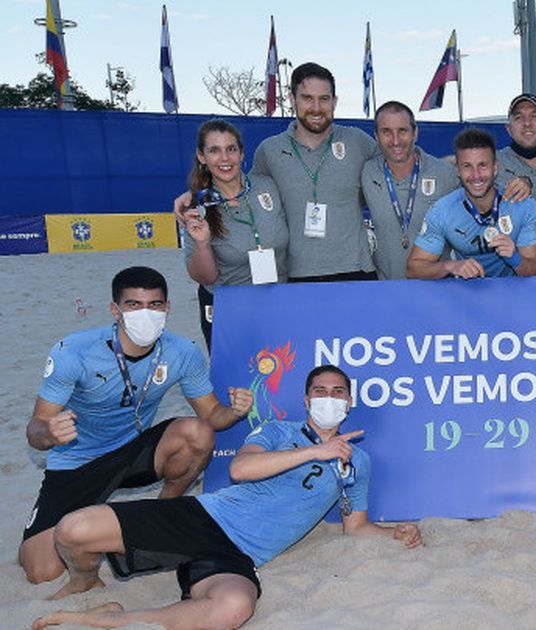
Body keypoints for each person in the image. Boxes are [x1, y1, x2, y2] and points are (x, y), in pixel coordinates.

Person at [33, 365, 423, 629]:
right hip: (201, 517)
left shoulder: (359, 460)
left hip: (238, 554)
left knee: (235, 608)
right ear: (306, 401)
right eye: (320, 391)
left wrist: (394, 534)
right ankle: (86, 582)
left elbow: (355, 526)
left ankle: (115, 619)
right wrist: (313, 451)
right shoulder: (276, 431)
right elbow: (240, 470)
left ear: (349, 403)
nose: (329, 397)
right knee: (72, 528)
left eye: (338, 392)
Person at [20, 267, 253, 585]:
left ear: (167, 307)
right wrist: (49, 433)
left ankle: (161, 514)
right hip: (78, 460)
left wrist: (234, 412)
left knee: (197, 432)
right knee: (41, 571)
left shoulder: (183, 351)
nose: (146, 313)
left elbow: (211, 414)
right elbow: (35, 430)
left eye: (155, 305)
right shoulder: (73, 352)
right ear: (115, 310)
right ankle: (95, 521)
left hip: (132, 452)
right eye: (134, 304)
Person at [250, 62, 379, 282]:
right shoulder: (269, 151)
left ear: (334, 101)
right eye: (308, 98)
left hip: (356, 271)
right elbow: (240, 191)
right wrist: (195, 194)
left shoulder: (358, 142)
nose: (316, 107)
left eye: (324, 99)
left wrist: (452, 164)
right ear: (292, 100)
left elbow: (399, 168)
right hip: (296, 274)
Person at [177, 119, 288, 349]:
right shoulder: (196, 208)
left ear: (241, 153)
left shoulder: (267, 186)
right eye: (214, 151)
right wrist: (203, 244)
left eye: (231, 149)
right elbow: (205, 277)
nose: (225, 158)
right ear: (201, 157)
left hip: (278, 302)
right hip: (229, 309)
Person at [407, 128, 536, 279]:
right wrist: (450, 266)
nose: (476, 176)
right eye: (467, 166)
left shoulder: (522, 205)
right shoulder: (442, 211)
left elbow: (534, 271)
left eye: (482, 165)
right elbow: (414, 269)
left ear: (495, 168)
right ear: (457, 170)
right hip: (466, 293)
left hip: (511, 294)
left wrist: (515, 258)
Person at [361, 101, 458, 280]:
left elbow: (482, 186)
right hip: (387, 288)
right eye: (386, 132)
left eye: (402, 131)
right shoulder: (367, 173)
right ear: (376, 135)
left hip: (436, 287)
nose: (396, 141)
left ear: (415, 133)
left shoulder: (445, 173)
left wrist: (524, 182)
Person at [497, 93, 536, 195]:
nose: (527, 123)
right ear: (509, 130)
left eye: (535, 116)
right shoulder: (490, 163)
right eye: (518, 117)